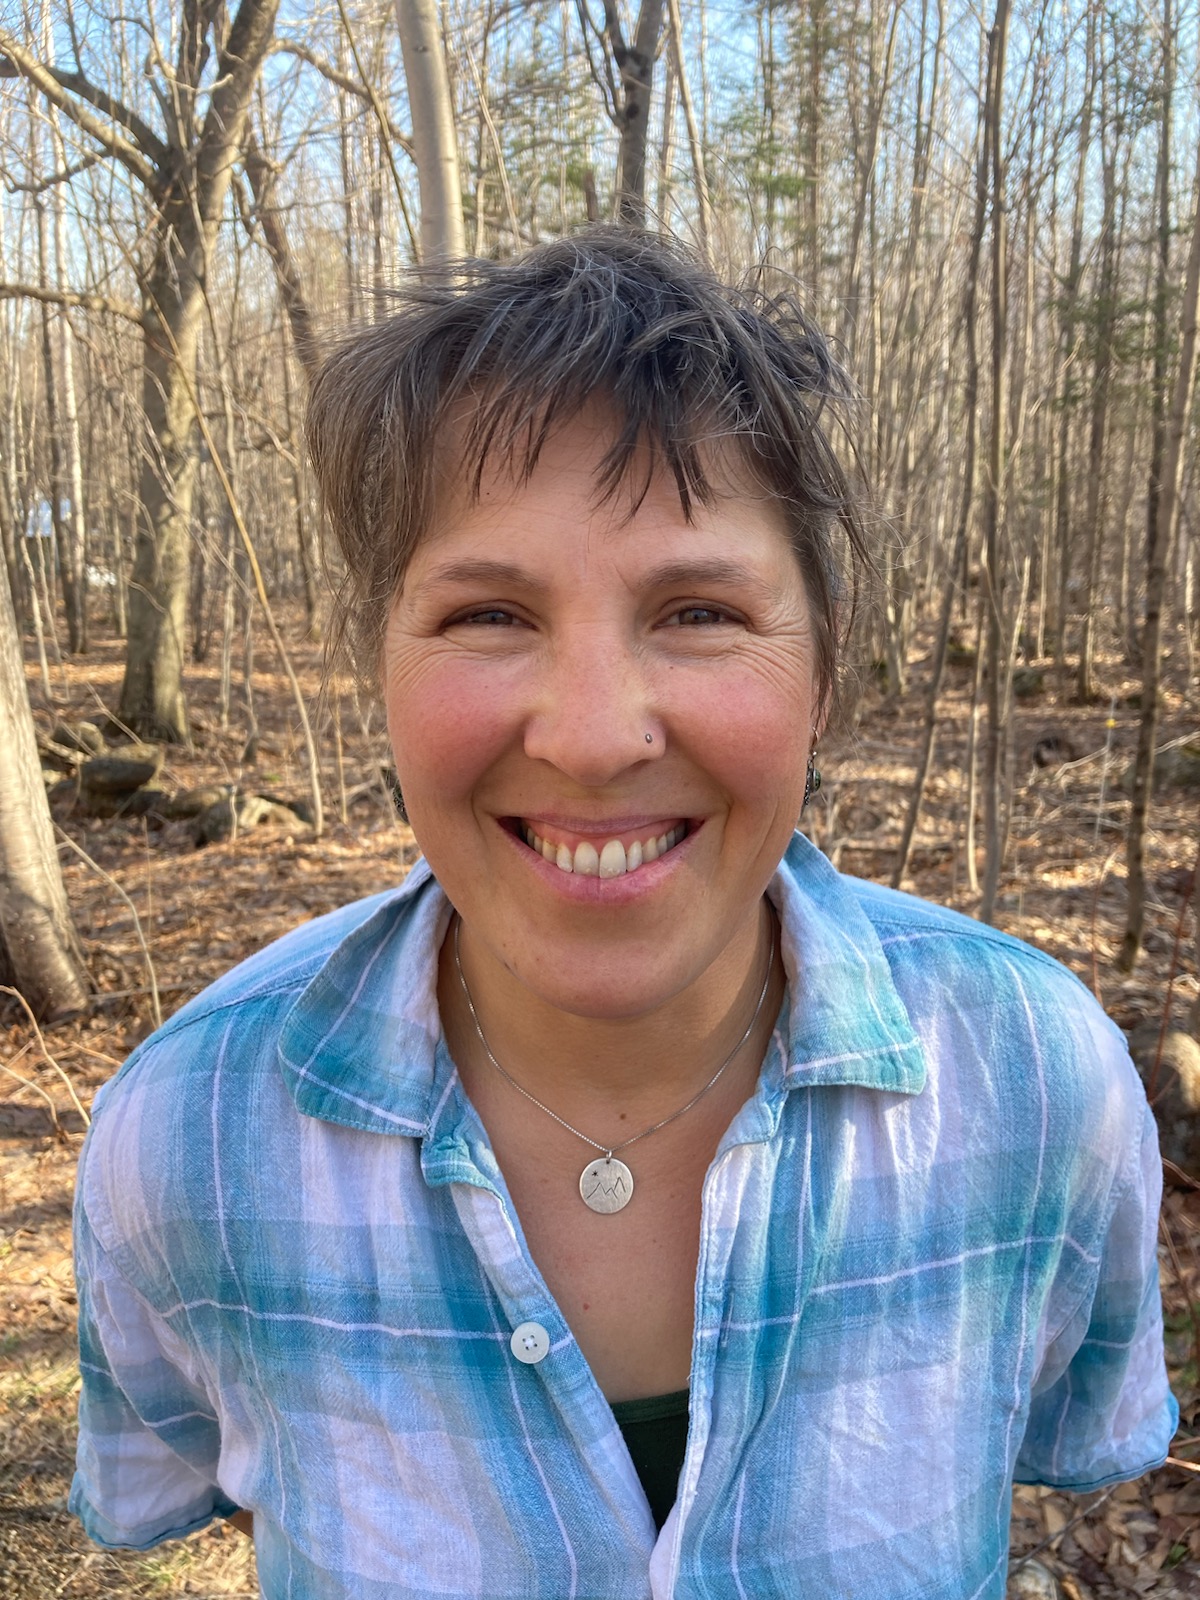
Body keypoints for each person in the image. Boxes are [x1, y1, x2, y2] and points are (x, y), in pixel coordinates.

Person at [71, 229, 1176, 1598]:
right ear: (380, 670)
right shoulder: (188, 1136)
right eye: (488, 616)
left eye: (700, 610)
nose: (593, 738)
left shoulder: (1035, 1083)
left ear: (822, 672)